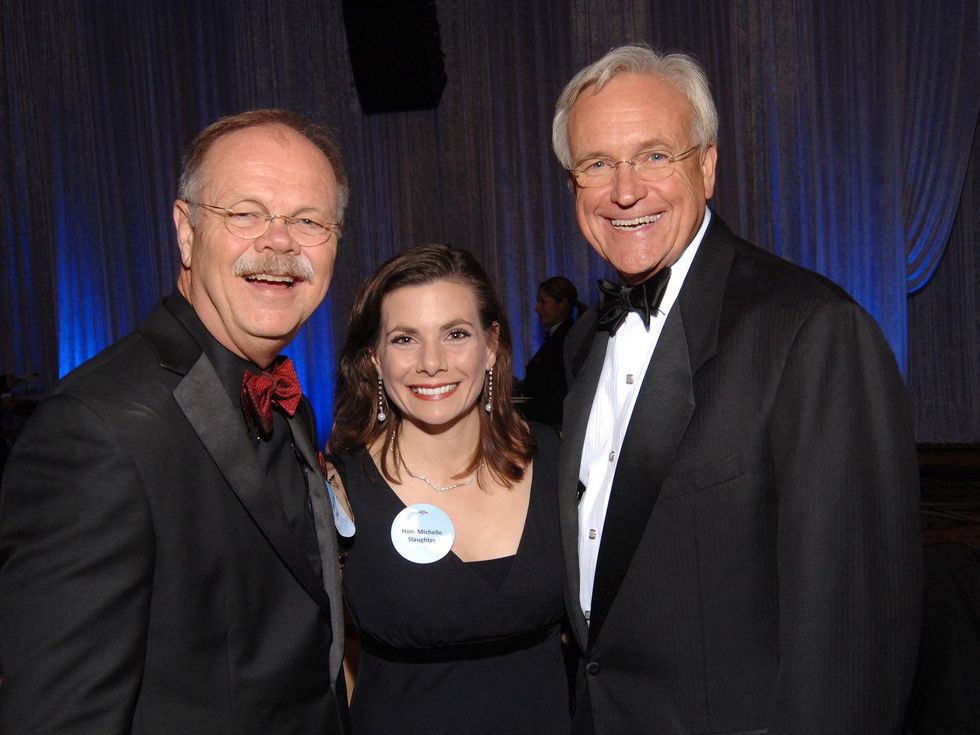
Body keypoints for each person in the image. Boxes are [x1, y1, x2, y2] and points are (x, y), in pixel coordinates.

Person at [551, 45, 922, 734]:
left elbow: (853, 646)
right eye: (596, 164)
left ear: (708, 166)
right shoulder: (584, 346)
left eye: (655, 155)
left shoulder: (811, 331)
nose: (624, 189)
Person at [0, 109, 351, 733]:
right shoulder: (95, 429)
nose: (279, 241)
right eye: (245, 212)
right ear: (186, 232)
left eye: (309, 220)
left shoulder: (284, 393)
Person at [326, 244, 569, 734]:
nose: (431, 363)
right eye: (404, 340)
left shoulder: (559, 459)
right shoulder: (338, 485)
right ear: (374, 357)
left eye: (455, 334)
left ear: (492, 344)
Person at [516, 276, 580, 429]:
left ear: (562, 303)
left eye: (543, 302)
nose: (537, 308)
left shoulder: (568, 339)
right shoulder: (559, 337)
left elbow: (553, 389)